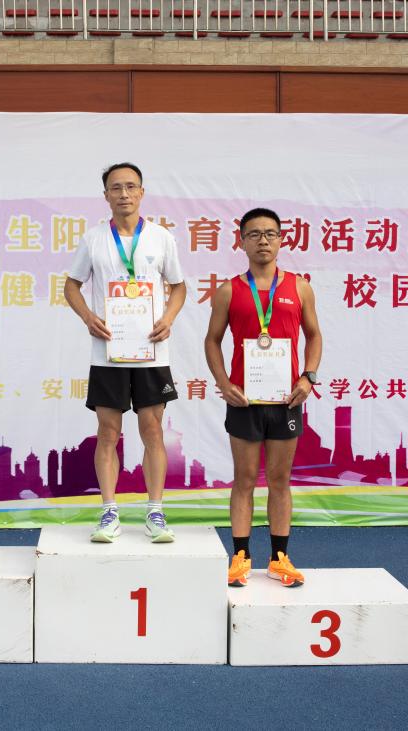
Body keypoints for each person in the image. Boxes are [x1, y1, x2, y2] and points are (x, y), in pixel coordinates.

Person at [64, 162, 186, 543]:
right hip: (109, 351)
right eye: (116, 187)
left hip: (152, 351)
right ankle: (108, 512)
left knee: (152, 429)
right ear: (105, 195)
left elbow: (179, 286)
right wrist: (89, 317)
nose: (124, 194)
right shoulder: (94, 239)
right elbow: (71, 286)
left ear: (142, 192)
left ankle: (155, 512)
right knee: (107, 431)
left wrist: (168, 317)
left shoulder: (161, 238)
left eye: (131, 187)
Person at [203, 208, 323, 587]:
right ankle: (240, 557)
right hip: (245, 400)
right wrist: (224, 383)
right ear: (241, 242)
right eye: (254, 234)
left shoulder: (300, 288)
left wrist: (308, 377)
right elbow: (212, 340)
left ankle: (279, 559)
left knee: (279, 480)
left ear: (282, 240)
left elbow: (314, 335)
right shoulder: (229, 291)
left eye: (270, 233)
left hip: (286, 401)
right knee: (243, 479)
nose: (263, 241)